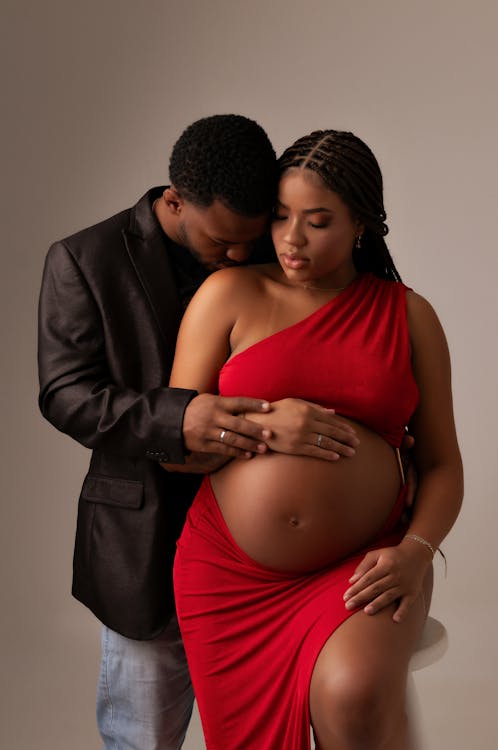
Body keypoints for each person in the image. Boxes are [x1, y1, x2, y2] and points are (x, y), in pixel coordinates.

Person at [37, 115, 360, 750]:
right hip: (146, 538)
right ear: (174, 199)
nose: (241, 255)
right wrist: (176, 418)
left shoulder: (267, 240)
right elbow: (64, 393)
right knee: (143, 739)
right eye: (221, 241)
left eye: (249, 239)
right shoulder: (83, 258)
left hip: (264, 564)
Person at [170, 129, 463, 749]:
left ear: (362, 222)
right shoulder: (230, 294)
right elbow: (173, 445)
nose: (291, 239)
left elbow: (440, 463)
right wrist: (261, 425)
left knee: (352, 694)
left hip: (369, 562)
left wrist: (415, 552)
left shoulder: (409, 315)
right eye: (279, 217)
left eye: (318, 220)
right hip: (230, 574)